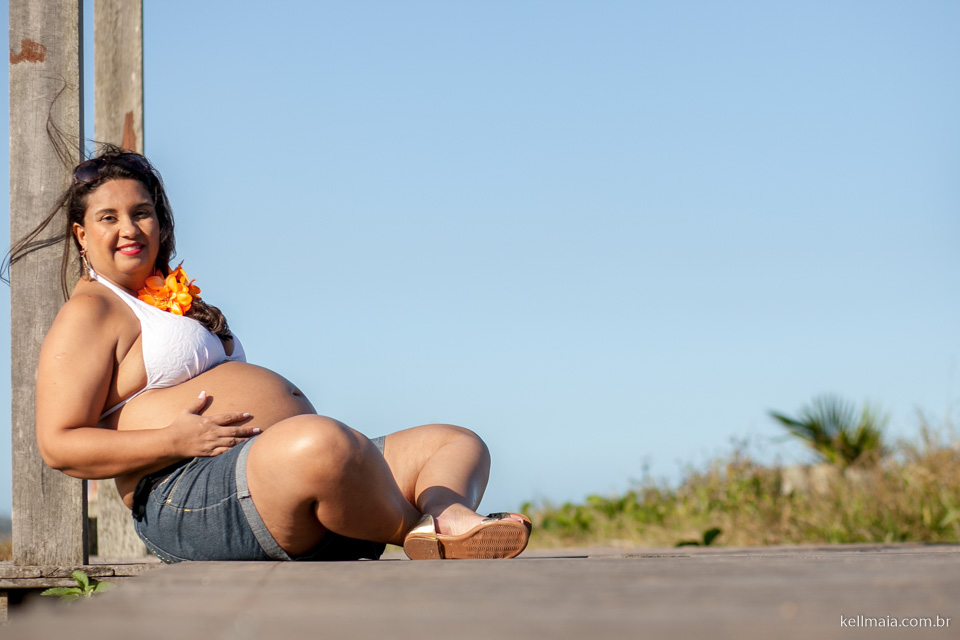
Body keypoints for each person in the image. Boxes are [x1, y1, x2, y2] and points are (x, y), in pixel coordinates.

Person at [8, 145, 531, 562]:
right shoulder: (91, 311)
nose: (129, 228)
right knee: (321, 443)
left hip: (281, 478)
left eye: (141, 213)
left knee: (454, 442)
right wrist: (175, 439)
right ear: (81, 234)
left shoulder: (165, 298)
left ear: (160, 224)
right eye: (109, 217)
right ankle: (419, 529)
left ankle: (444, 515)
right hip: (189, 494)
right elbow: (59, 445)